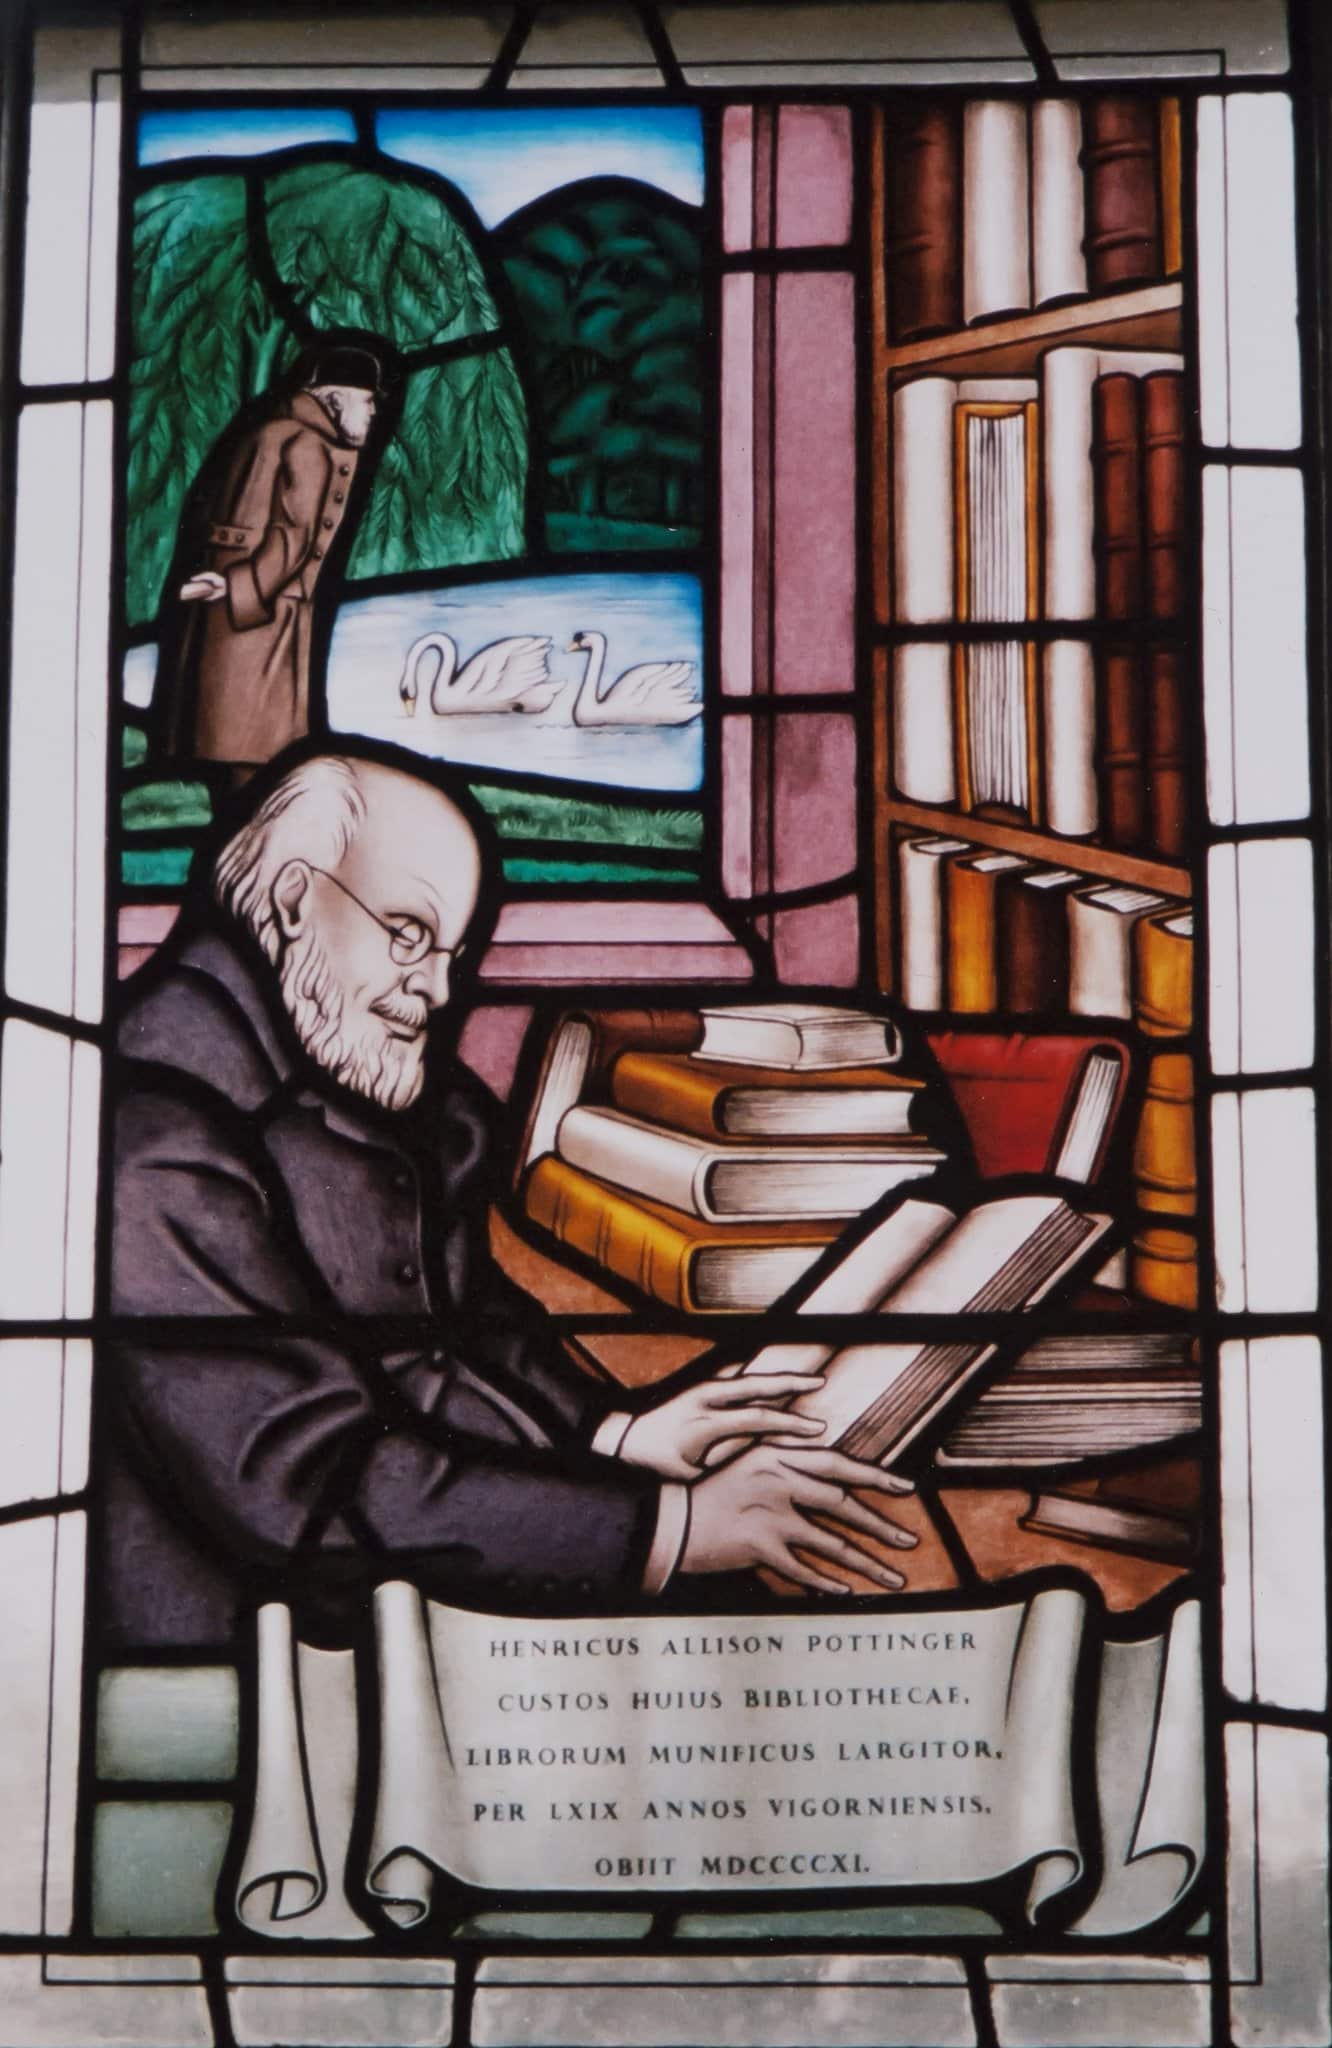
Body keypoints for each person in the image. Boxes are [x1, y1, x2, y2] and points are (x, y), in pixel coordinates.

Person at [105, 747, 919, 1652]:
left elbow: (466, 1329)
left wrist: (616, 1435)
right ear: (294, 900)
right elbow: (312, 1489)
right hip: (259, 1669)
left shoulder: (357, 1085)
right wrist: (670, 1529)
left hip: (423, 1615)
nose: (439, 988)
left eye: (452, 950)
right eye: (409, 932)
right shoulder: (157, 1136)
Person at [155, 344, 388, 778]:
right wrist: (239, 587)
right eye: (369, 400)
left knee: (230, 738)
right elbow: (291, 538)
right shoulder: (304, 441)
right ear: (337, 398)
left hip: (243, 604)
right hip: (261, 616)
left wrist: (231, 585)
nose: (373, 412)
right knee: (250, 745)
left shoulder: (277, 431)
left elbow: (276, 533)